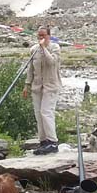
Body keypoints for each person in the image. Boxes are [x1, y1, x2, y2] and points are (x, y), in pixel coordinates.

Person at [21, 24, 61, 155]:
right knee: (38, 114)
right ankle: (43, 141)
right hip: (37, 87)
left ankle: (52, 142)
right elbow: (30, 69)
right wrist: (27, 85)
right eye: (39, 35)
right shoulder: (33, 50)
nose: (41, 37)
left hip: (51, 86)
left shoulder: (55, 47)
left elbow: (51, 62)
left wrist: (44, 48)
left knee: (46, 111)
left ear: (49, 36)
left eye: (43, 35)